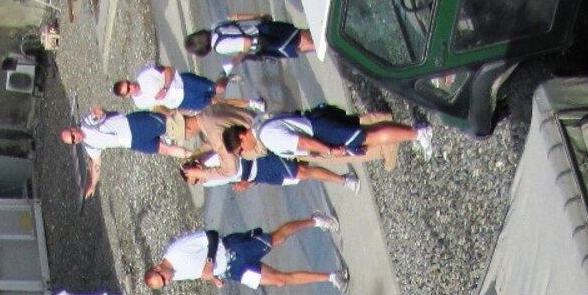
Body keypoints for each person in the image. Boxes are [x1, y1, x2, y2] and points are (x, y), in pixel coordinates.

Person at [143, 218, 342, 291]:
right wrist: (214, 278)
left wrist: (210, 263)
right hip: (234, 271)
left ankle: (315, 221)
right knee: (280, 281)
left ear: (157, 267)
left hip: (233, 250)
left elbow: (211, 235)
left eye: (164, 279)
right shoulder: (173, 275)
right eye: (165, 284)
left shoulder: (177, 252)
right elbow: (200, 269)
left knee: (277, 238)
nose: (168, 281)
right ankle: (331, 277)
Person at [61, 110, 191, 197]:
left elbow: (99, 113)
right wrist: (93, 184)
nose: (75, 139)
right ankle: (193, 154)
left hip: (133, 125)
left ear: (73, 129)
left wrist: (98, 111)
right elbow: (96, 163)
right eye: (73, 141)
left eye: (73, 136)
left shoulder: (87, 123)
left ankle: (194, 115)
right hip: (132, 143)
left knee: (169, 123)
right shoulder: (89, 146)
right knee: (165, 149)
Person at [240, 108, 428, 163]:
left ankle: (419, 133)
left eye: (241, 150)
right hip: (316, 120)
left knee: (369, 137)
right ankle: (415, 132)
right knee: (369, 132)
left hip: (320, 132)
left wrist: (330, 150)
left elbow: (302, 142)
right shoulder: (259, 122)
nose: (245, 152)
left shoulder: (267, 137)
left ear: (242, 137)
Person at [184, 148, 360, 192]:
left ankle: (344, 179)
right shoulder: (208, 182)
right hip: (260, 175)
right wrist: (249, 183)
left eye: (196, 178)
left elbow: (238, 160)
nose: (200, 182)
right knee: (299, 174)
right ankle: (338, 163)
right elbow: (234, 178)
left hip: (259, 162)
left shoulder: (212, 158)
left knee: (301, 171)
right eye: (195, 183)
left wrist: (245, 180)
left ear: (198, 167)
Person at [183, 16, 314, 67]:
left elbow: (246, 42)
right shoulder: (215, 26)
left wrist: (238, 59)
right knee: (303, 34)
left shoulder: (219, 46)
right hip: (263, 28)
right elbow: (236, 17)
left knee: (303, 43)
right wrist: (258, 16)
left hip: (268, 42)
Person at [114, 64, 226, 113]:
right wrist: (174, 113)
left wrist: (165, 88)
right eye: (128, 89)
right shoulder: (140, 103)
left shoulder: (144, 75)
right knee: (214, 103)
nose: (132, 86)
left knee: (219, 88)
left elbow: (168, 70)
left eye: (128, 83)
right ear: (127, 96)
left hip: (184, 82)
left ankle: (226, 75)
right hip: (182, 101)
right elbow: (156, 107)